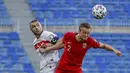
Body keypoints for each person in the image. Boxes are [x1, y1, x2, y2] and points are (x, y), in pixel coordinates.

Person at [43, 22, 122, 73]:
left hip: (76, 69)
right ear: (79, 31)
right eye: (84, 33)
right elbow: (61, 44)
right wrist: (49, 48)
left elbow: (104, 45)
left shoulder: (90, 41)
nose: (86, 35)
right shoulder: (69, 35)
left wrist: (114, 50)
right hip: (62, 68)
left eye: (88, 33)